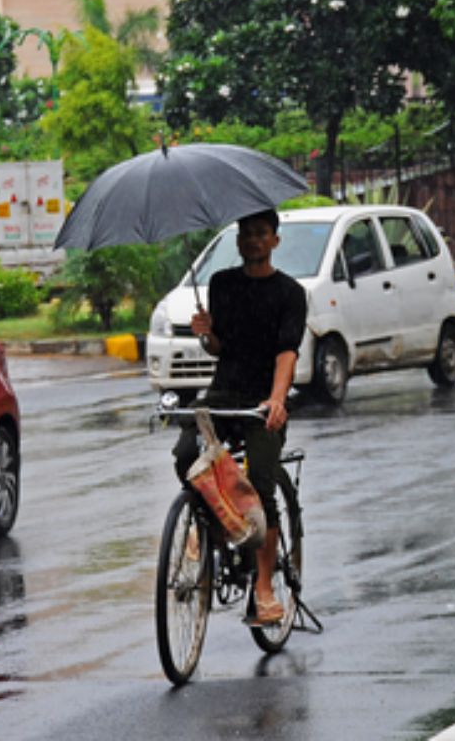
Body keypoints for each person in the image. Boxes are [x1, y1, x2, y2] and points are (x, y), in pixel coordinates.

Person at [173, 208, 307, 625]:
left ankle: (264, 589)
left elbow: (287, 352)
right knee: (186, 456)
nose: (253, 240)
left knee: (262, 486)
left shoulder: (290, 293)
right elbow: (220, 348)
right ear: (237, 240)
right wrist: (205, 333)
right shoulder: (222, 284)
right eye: (246, 234)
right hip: (223, 394)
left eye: (261, 234)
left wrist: (277, 400)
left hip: (263, 400)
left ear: (274, 241)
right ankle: (212, 525)